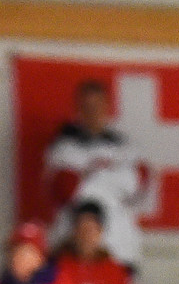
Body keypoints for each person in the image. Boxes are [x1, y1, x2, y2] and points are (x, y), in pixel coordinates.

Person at [44, 79, 147, 271]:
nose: (93, 112)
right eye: (87, 106)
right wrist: (112, 172)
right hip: (74, 244)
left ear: (107, 107)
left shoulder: (125, 147)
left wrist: (89, 173)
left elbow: (136, 185)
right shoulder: (63, 148)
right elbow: (65, 188)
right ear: (78, 108)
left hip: (119, 244)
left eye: (98, 105)